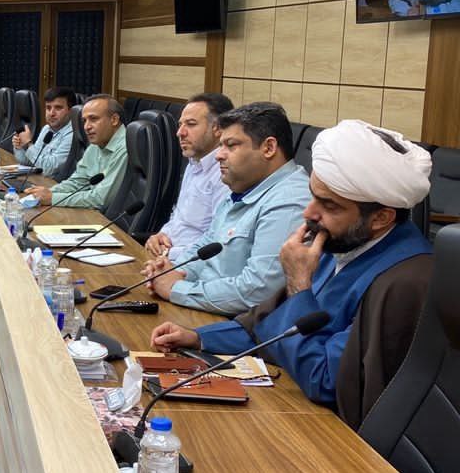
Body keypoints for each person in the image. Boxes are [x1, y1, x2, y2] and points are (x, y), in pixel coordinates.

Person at [151, 120, 433, 425]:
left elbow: (326, 381)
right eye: (313, 196)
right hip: (289, 407)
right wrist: (199, 338)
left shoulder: (405, 282)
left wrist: (299, 286)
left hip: (328, 432)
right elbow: (265, 327)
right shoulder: (344, 241)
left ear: (381, 218)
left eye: (329, 206)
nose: (308, 213)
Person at [143, 102, 310, 315]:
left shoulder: (290, 200)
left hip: (235, 325)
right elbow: (204, 246)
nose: (219, 155)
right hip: (204, 307)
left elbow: (258, 291)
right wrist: (169, 271)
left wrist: (176, 288)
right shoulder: (244, 187)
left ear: (268, 148)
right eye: (221, 145)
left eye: (231, 145)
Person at [145, 93, 234, 256]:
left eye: (191, 124)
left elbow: (216, 241)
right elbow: (178, 218)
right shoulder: (193, 163)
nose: (180, 132)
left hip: (188, 263)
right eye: (180, 125)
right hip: (166, 256)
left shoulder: (226, 173)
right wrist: (160, 235)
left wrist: (169, 253)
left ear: (218, 129)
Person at [25, 94, 128, 210]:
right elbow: (77, 182)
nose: (86, 127)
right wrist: (48, 192)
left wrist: (52, 198)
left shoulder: (125, 148)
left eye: (93, 119)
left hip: (110, 218)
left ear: (114, 120)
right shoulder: (97, 144)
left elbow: (100, 199)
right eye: (84, 121)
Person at [12, 86, 75, 174]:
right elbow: (32, 162)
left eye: (58, 108)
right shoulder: (46, 129)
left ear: (70, 111)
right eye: (48, 108)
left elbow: (49, 169)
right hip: (40, 180)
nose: (51, 113)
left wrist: (29, 144)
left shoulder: (72, 134)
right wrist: (20, 147)